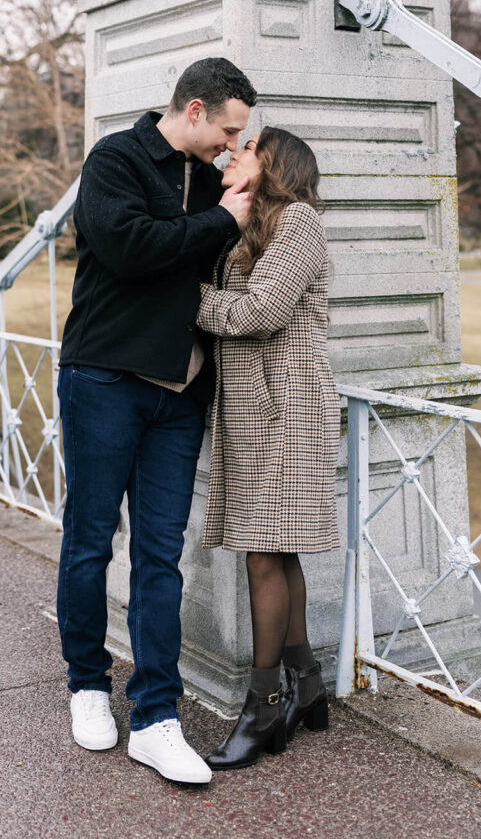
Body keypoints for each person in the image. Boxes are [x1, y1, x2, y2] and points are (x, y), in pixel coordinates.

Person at [56, 58, 257, 785]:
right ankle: (86, 684)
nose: (230, 145)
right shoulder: (114, 158)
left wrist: (249, 191)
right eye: (228, 131)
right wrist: (224, 217)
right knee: (88, 539)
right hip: (104, 378)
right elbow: (131, 249)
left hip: (181, 393)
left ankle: (156, 717)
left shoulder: (217, 185)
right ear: (195, 109)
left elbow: (231, 263)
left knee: (159, 558)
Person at [195, 127, 341, 771]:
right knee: (274, 550)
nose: (232, 152)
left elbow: (259, 313)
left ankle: (262, 707)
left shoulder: (300, 221)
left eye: (245, 146)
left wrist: (185, 298)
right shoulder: (251, 222)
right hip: (255, 410)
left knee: (262, 553)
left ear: (274, 163)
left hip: (289, 407)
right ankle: (307, 684)